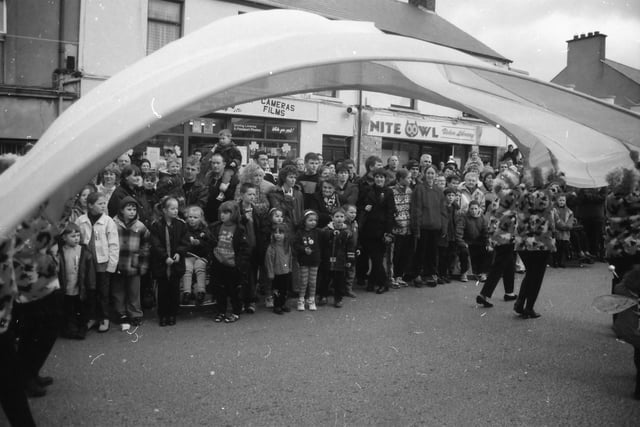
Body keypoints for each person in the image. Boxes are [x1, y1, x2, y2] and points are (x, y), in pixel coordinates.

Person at [11, 215, 62, 399]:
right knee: (32, 332)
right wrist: (51, 231)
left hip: (44, 281)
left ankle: (31, 372)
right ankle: (26, 377)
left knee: (46, 330)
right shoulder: (13, 219)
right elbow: (28, 246)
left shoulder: (33, 215)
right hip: (27, 285)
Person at [513, 167, 556, 318]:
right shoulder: (545, 194)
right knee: (536, 275)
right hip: (540, 242)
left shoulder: (519, 193)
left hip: (522, 241)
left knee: (531, 273)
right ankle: (528, 307)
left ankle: (520, 302)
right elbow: (550, 218)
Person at [76, 191, 120, 333]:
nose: (103, 206)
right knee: (90, 290)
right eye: (100, 203)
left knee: (103, 291)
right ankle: (92, 317)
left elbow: (114, 245)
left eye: (104, 203)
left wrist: (112, 264)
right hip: (87, 263)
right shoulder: (81, 220)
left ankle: (104, 318)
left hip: (103, 263)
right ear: (90, 205)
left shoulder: (108, 221)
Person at [476, 170, 520, 308]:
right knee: (500, 264)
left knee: (509, 261)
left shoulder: (498, 196)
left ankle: (509, 292)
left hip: (499, 233)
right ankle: (484, 294)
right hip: (507, 234)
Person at [149, 196, 188, 327]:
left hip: (176, 264)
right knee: (163, 290)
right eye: (172, 208)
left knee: (174, 290)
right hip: (162, 264)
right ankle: (163, 314)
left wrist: (179, 253)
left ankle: (173, 314)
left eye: (177, 208)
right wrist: (165, 257)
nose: (175, 211)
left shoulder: (181, 225)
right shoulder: (156, 225)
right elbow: (155, 244)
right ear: (165, 210)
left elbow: (184, 241)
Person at [112, 196, 149, 329]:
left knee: (134, 290)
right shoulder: (113, 223)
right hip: (118, 262)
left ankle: (135, 314)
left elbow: (146, 244)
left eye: (134, 209)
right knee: (118, 290)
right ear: (121, 210)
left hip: (134, 263)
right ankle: (121, 313)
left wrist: (142, 260)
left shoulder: (140, 226)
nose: (132, 212)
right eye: (129, 209)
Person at [356, 168, 395, 293]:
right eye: (377, 177)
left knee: (377, 258)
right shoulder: (368, 190)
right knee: (373, 257)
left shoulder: (388, 192)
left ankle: (383, 282)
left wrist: (388, 231)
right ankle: (372, 282)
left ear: (385, 179)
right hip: (368, 229)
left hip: (381, 229)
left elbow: (390, 212)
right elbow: (359, 205)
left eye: (382, 177)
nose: (379, 179)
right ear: (374, 178)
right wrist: (365, 208)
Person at [210, 201, 249, 323]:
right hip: (218, 263)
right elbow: (210, 241)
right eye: (221, 212)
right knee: (219, 290)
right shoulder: (216, 227)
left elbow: (245, 248)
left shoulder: (239, 229)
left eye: (226, 212)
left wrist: (239, 263)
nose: (223, 215)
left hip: (232, 265)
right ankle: (221, 311)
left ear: (234, 214)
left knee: (234, 290)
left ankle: (236, 312)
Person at [58, 222, 96, 339]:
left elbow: (90, 271)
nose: (76, 239)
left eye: (78, 236)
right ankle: (71, 329)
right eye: (73, 236)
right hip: (67, 288)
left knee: (81, 310)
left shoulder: (84, 251)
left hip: (80, 288)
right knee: (68, 310)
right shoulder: (60, 252)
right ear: (64, 237)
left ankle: (81, 329)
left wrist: (91, 286)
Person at [411, 166, 446, 287]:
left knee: (432, 252)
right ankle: (417, 274)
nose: (430, 176)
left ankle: (430, 274)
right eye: (428, 173)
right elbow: (417, 209)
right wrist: (416, 227)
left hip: (435, 226)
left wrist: (443, 226)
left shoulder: (438, 190)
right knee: (420, 251)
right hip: (423, 226)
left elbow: (443, 210)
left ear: (436, 175)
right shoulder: (419, 189)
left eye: (433, 173)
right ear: (424, 174)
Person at [319, 208, 356, 307]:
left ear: (345, 218)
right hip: (327, 260)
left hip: (340, 261)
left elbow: (350, 247)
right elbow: (321, 244)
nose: (339, 219)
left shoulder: (348, 232)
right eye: (337, 216)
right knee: (324, 279)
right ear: (332, 217)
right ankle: (323, 296)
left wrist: (350, 260)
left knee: (339, 281)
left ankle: (338, 298)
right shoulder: (325, 230)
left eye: (341, 217)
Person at [237, 183, 264, 314]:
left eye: (254, 194)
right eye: (249, 194)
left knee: (253, 274)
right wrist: (243, 218)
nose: (252, 197)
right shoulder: (236, 209)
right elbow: (232, 223)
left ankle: (251, 301)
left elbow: (260, 228)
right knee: (242, 275)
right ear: (242, 195)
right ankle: (240, 300)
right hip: (242, 248)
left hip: (254, 247)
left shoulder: (256, 210)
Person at [181, 206, 211, 306]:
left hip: (201, 256)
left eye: (195, 217)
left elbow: (209, 244)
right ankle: (187, 292)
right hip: (188, 256)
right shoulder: (184, 228)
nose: (192, 219)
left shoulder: (205, 230)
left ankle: (201, 292)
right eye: (190, 217)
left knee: (200, 268)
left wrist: (199, 243)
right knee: (187, 269)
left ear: (200, 218)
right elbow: (181, 243)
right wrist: (189, 244)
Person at [294, 210, 321, 311]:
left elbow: (326, 236)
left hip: (314, 260)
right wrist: (303, 249)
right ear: (304, 221)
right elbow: (296, 244)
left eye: (315, 220)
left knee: (313, 281)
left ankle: (311, 300)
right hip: (304, 260)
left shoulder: (318, 232)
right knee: (303, 281)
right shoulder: (300, 232)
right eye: (310, 220)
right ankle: (301, 299)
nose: (313, 222)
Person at [456, 200, 490, 282]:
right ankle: (464, 272)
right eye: (471, 209)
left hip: (478, 242)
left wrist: (488, 243)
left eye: (475, 209)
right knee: (463, 251)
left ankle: (482, 272)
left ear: (479, 209)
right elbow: (458, 232)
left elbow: (486, 233)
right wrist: (462, 243)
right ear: (469, 209)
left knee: (489, 250)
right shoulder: (464, 217)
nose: (473, 211)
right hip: (466, 241)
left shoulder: (483, 218)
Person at [265, 223, 293, 314]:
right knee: (277, 290)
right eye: (276, 233)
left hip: (286, 271)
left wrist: (290, 268)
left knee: (285, 290)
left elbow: (290, 258)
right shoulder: (271, 248)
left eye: (280, 233)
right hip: (276, 273)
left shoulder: (287, 246)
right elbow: (269, 261)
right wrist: (270, 273)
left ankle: (283, 304)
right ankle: (277, 306)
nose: (278, 235)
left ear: (285, 234)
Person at [391, 168, 412, 287]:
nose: (410, 180)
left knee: (404, 254)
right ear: (400, 179)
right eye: (408, 178)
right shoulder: (392, 191)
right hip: (396, 228)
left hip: (407, 228)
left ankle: (399, 276)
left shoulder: (410, 191)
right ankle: (392, 276)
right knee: (395, 254)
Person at [267, 165, 304, 231]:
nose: (293, 180)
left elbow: (301, 211)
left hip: (297, 227)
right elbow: (278, 212)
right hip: (282, 228)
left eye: (295, 177)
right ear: (284, 178)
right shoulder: (275, 193)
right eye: (291, 177)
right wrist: (288, 200)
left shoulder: (298, 193)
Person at [204, 153, 239, 223]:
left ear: (224, 164)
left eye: (218, 163)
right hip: (208, 216)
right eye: (213, 163)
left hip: (225, 217)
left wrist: (225, 190)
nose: (215, 165)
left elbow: (233, 198)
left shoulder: (232, 179)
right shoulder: (208, 178)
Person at [212, 129, 243, 202]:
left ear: (229, 138)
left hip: (230, 168)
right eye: (220, 139)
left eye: (223, 138)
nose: (221, 140)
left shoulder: (234, 149)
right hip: (220, 167)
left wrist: (235, 162)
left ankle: (222, 189)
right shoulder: (218, 148)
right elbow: (215, 155)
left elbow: (239, 157)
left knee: (227, 174)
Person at [437, 187, 459, 284]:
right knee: (442, 255)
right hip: (444, 234)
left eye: (452, 195)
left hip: (453, 234)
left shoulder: (455, 207)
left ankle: (446, 273)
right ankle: (440, 274)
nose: (450, 197)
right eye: (449, 195)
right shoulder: (441, 207)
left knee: (450, 255)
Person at [552, 194, 574, 268]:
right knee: (557, 247)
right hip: (557, 232)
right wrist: (564, 226)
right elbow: (556, 220)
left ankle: (562, 262)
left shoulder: (569, 211)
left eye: (563, 200)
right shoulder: (554, 210)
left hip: (565, 233)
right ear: (557, 201)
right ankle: (555, 261)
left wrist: (567, 226)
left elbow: (570, 222)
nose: (561, 202)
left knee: (564, 248)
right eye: (560, 200)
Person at [343, 204, 359, 297]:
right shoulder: (343, 224)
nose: (353, 214)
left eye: (355, 213)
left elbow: (357, 237)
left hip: (353, 251)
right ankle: (341, 288)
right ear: (345, 213)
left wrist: (358, 248)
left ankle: (348, 289)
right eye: (351, 212)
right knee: (343, 270)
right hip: (344, 251)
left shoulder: (355, 224)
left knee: (351, 271)